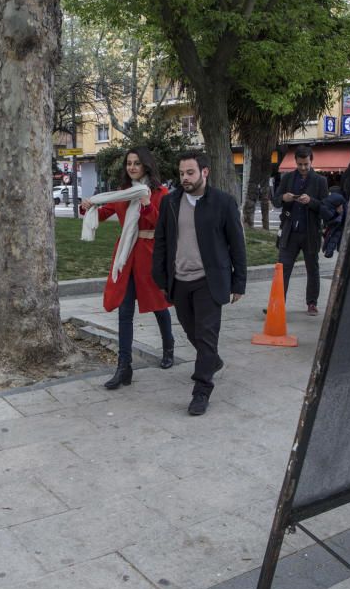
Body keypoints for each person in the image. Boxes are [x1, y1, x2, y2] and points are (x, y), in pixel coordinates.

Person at [152, 151, 247, 416]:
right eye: (182, 173)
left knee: (206, 336)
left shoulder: (223, 202)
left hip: (210, 279)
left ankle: (201, 390)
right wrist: (160, 277)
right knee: (192, 331)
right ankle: (212, 361)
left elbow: (237, 244)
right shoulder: (171, 203)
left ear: (205, 172)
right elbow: (161, 241)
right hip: (180, 281)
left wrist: (239, 282)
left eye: (190, 172)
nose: (185, 178)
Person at [79, 147, 175, 389]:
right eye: (129, 163)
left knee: (158, 307)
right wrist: (88, 206)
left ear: (146, 166)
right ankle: (124, 367)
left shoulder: (159, 192)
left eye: (137, 163)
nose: (132, 167)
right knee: (125, 311)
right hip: (126, 256)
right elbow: (103, 213)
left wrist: (145, 204)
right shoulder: (122, 193)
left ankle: (169, 345)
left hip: (150, 256)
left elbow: (162, 224)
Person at [272, 146, 328, 315]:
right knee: (283, 268)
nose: (303, 168)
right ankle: (278, 304)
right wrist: (283, 197)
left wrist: (311, 201)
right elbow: (275, 200)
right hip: (290, 231)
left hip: (310, 232)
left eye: (306, 164)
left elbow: (325, 208)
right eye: (300, 164)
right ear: (295, 162)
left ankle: (312, 303)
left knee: (312, 269)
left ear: (312, 161)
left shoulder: (320, 181)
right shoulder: (288, 178)